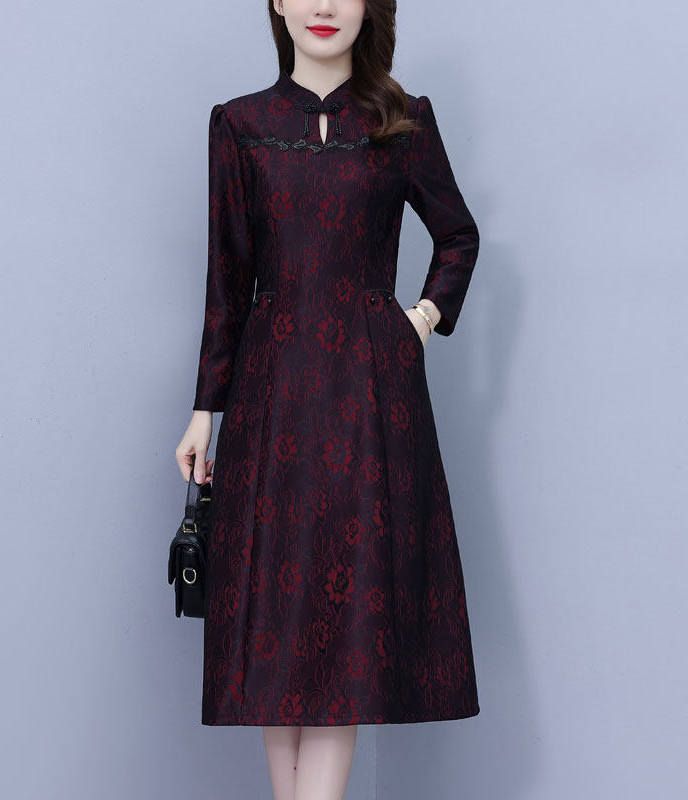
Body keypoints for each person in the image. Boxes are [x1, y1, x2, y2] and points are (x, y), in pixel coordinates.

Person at [176, 1, 481, 798]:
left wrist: (418, 321)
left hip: (368, 397)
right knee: (277, 620)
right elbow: (226, 283)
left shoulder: (403, 120)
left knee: (343, 621)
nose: (323, 5)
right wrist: (205, 410)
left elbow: (458, 236)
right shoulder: (240, 125)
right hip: (269, 396)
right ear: (276, 2)